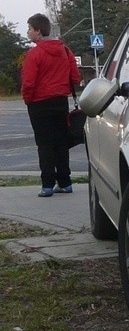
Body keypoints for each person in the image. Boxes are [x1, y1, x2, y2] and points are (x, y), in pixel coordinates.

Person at [21, 13, 82, 197]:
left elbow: (29, 82)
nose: (28, 32)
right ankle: (65, 182)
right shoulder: (64, 50)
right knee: (61, 143)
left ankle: (47, 185)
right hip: (60, 102)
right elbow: (75, 77)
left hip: (39, 104)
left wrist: (28, 99)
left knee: (45, 144)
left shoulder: (34, 54)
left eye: (30, 28)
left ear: (38, 31)